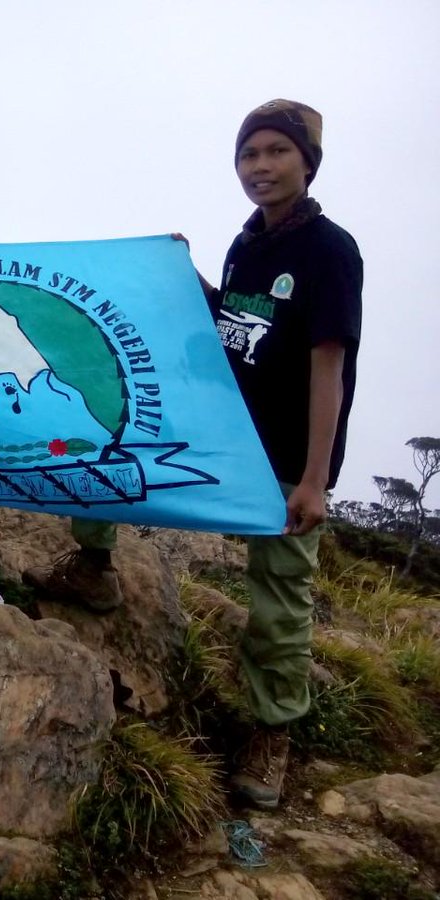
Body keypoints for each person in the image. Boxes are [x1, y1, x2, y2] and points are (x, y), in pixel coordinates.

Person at [191, 100, 361, 809]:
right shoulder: (245, 246)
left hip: (291, 456)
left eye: (275, 152)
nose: (259, 167)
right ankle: (95, 566)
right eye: (248, 154)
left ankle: (273, 732)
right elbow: (232, 325)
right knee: (115, 472)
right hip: (231, 440)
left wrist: (316, 480)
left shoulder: (330, 250)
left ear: (307, 161)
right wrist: (183, 274)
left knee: (281, 600)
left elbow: (331, 367)